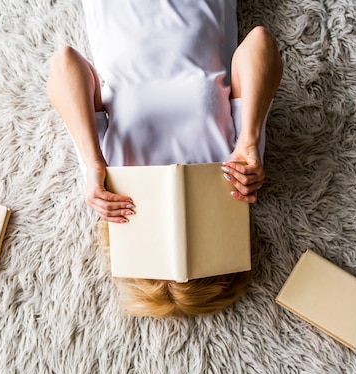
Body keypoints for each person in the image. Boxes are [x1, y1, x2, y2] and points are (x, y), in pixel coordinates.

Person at [48, 0, 283, 317]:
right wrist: (250, 138)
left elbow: (65, 63)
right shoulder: (235, 176)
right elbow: (260, 42)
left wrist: (92, 163)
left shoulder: (112, 184)